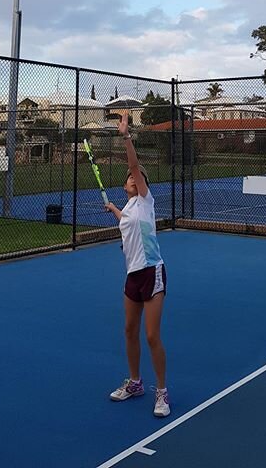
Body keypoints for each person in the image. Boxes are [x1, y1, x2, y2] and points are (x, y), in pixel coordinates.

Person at [104, 111, 170, 418]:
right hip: (132, 275)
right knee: (129, 330)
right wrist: (116, 210)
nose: (133, 177)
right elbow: (127, 224)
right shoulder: (131, 208)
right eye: (130, 177)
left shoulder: (145, 199)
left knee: (151, 336)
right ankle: (135, 383)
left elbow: (132, 163)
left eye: (137, 176)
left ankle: (162, 391)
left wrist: (126, 135)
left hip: (152, 271)